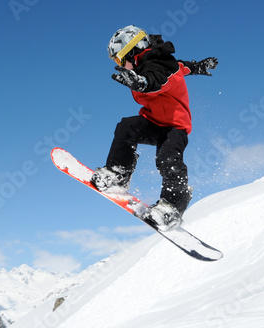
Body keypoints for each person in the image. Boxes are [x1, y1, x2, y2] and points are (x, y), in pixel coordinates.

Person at [90, 25, 218, 231]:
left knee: (167, 159)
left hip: (175, 127)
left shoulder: (160, 64)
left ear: (131, 51)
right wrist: (198, 67)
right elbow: (183, 66)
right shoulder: (154, 65)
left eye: (119, 59)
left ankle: (173, 205)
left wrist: (142, 83)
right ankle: (118, 174)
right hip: (154, 123)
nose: (119, 64)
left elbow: (158, 79)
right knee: (127, 127)